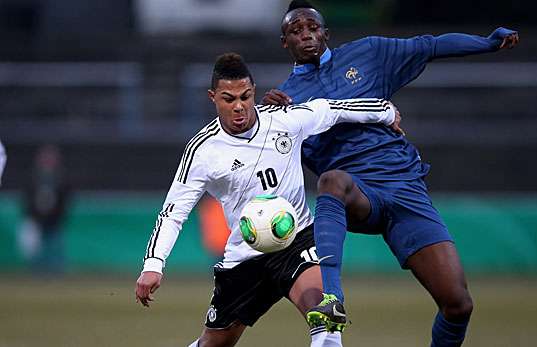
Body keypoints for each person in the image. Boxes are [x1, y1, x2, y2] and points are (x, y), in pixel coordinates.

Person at [261, 0, 520, 344]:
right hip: (357, 195)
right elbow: (272, 160)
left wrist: (486, 43)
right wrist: (271, 121)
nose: (306, 35)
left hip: (404, 187)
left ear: (326, 33)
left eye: (312, 27)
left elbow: (429, 45)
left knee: (458, 304)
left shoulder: (368, 53)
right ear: (285, 42)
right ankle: (332, 299)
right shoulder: (286, 102)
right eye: (296, 31)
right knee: (332, 181)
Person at [134, 52, 402, 347]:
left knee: (326, 317)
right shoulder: (203, 151)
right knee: (214, 343)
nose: (239, 107)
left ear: (254, 92)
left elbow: (332, 110)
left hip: (296, 240)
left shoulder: (284, 120)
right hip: (245, 257)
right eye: (228, 99)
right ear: (213, 97)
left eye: (245, 96)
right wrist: (154, 264)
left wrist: (385, 111)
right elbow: (173, 212)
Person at [23, 144, 70, 273]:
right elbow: (27, 197)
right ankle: (37, 271)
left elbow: (65, 198)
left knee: (54, 246)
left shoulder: (60, 177)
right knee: (36, 248)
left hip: (54, 220)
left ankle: (56, 271)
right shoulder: (34, 176)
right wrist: (33, 215)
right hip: (37, 219)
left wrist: (59, 215)